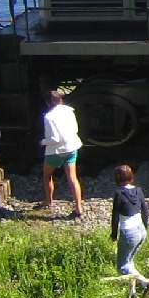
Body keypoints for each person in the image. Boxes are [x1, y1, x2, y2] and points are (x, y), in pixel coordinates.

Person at [109, 164, 149, 298]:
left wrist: (114, 234)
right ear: (131, 177)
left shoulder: (118, 193)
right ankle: (133, 295)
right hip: (141, 230)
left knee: (123, 267)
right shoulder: (139, 190)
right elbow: (145, 212)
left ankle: (146, 283)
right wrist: (145, 229)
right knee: (130, 263)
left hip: (129, 233)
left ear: (116, 179)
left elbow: (115, 216)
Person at [40, 89, 84, 218]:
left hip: (55, 152)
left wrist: (42, 142)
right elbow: (75, 128)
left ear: (48, 103)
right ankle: (78, 208)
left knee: (47, 175)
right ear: (61, 100)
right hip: (71, 147)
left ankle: (48, 201)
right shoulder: (69, 111)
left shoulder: (49, 117)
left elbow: (54, 139)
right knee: (72, 178)